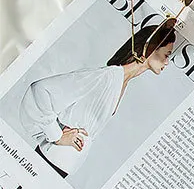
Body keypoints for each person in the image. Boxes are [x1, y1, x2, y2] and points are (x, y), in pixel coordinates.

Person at [18, 25, 176, 177]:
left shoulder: (122, 82)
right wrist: (57, 136)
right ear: (150, 49)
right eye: (166, 55)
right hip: (49, 161)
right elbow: (40, 90)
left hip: (64, 167)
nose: (167, 62)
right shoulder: (106, 77)